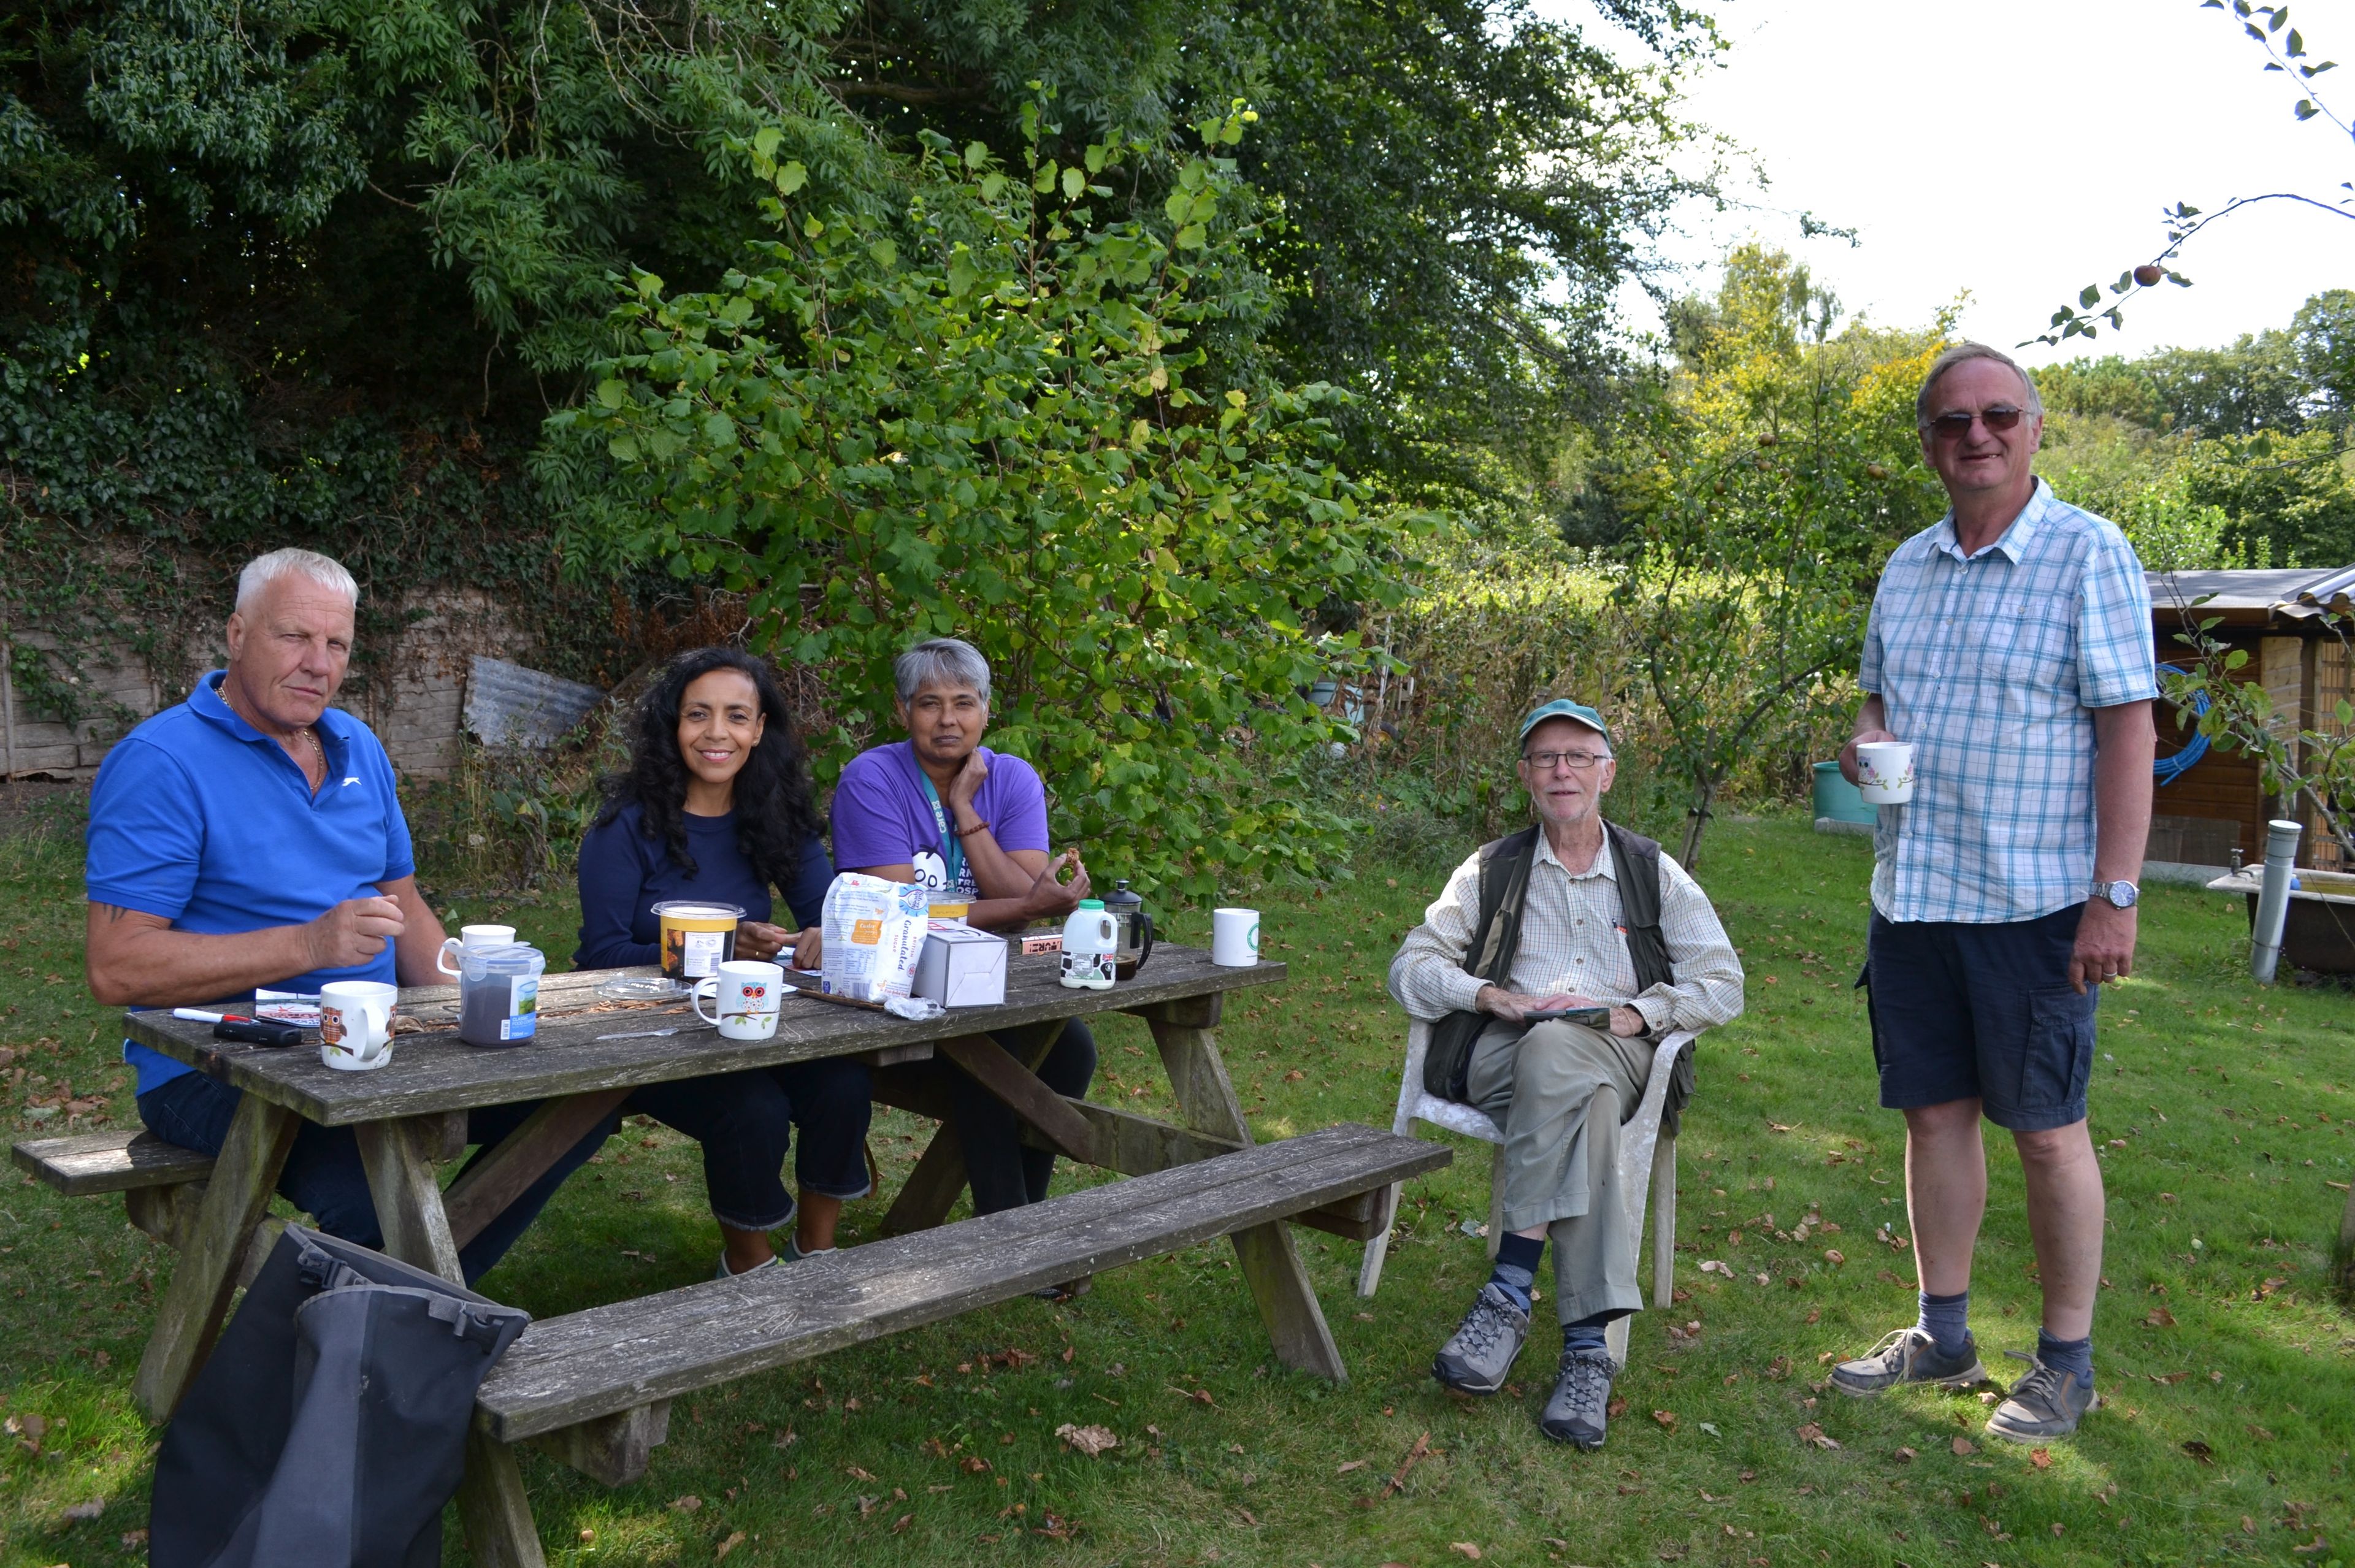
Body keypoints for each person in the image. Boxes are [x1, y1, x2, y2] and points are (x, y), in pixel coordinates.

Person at [84, 548, 603, 1285]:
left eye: (336, 646)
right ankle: (413, 1324)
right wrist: (309, 942)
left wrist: (476, 993)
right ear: (237, 635)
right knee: (383, 1206)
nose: (317, 664)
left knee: (576, 1101)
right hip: (218, 1067)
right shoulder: (162, 763)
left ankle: (424, 1303)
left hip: (373, 1046)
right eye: (294, 637)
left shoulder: (357, 743)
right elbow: (118, 964)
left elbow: (403, 904)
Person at [1828, 342, 2154, 1443]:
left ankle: (2067, 1361)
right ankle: (1944, 1332)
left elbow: (2127, 728)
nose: (1976, 435)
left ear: (2034, 427)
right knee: (1933, 1119)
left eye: (1997, 415)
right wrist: (1869, 742)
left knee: (2050, 1131)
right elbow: (1878, 702)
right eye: (1951, 422)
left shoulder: (2088, 553)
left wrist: (2115, 893)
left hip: (2038, 902)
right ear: (1927, 443)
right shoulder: (1907, 566)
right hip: (1916, 892)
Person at [1390, 698, 1744, 1448]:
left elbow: (1723, 984)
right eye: (1546, 757)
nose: (1562, 770)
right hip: (1506, 1048)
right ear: (1525, 776)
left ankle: (1508, 1294)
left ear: (1607, 773)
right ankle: (1587, 1350)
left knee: (1566, 1056)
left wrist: (1639, 1014)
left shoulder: (1653, 871)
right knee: (1564, 1073)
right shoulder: (1491, 868)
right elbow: (1411, 966)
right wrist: (1489, 995)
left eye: (1579, 757)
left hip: (1619, 1045)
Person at [576, 647, 873, 1277]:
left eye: (737, 716)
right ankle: (748, 1264)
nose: (717, 733)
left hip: (755, 1021)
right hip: (650, 1031)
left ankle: (817, 1252)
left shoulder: (776, 814)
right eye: (698, 715)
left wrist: (825, 932)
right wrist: (715, 950)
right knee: (752, 1109)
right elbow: (598, 957)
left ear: (760, 728)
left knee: (844, 1084)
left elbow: (829, 912)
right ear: (672, 725)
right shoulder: (624, 827)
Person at [830, 638, 1095, 1228]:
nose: (948, 719)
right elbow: (903, 916)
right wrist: (1024, 901)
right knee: (990, 1055)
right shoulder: (870, 779)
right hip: (894, 987)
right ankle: (1011, 1227)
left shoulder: (1013, 778)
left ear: (986, 709)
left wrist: (965, 807)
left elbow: (1026, 907)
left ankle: (1019, 1217)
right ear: (903, 712)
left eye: (963, 702)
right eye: (929, 703)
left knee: (1070, 1051)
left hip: (985, 980)